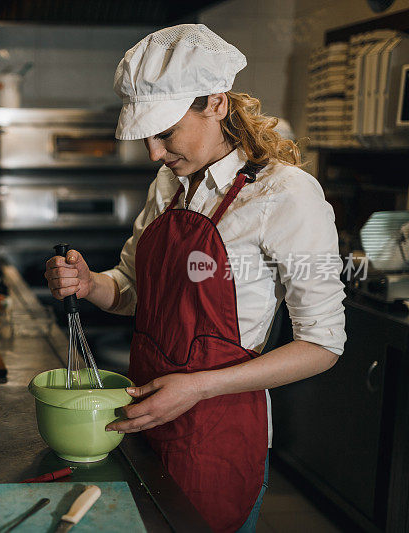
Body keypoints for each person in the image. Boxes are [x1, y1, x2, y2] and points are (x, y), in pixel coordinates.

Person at [44, 24, 345, 533]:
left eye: (165, 133)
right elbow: (134, 290)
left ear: (217, 104)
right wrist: (89, 283)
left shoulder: (285, 194)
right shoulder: (169, 183)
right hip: (144, 416)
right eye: (147, 136)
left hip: (219, 433)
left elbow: (323, 344)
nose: (153, 153)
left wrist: (199, 388)